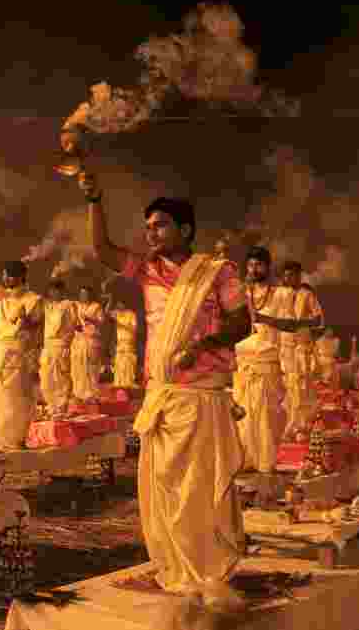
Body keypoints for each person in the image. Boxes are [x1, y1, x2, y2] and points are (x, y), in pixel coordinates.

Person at [83, 171, 250, 607]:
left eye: (160, 225)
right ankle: (176, 568)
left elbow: (242, 322)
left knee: (199, 488)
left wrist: (205, 343)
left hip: (203, 396)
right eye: (148, 226)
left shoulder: (217, 272)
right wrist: (94, 200)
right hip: (164, 397)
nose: (150, 233)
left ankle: (208, 569)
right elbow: (102, 251)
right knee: (164, 486)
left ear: (186, 230)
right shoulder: (146, 271)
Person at [0, 261, 44, 449]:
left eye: (9, 275)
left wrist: (25, 320)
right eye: (4, 275)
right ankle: (4, 441)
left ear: (21, 277)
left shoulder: (33, 300)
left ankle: (16, 441)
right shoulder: (0, 300)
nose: (5, 279)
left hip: (16, 354)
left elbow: (35, 329)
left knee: (14, 400)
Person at [234, 246, 287, 474]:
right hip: (246, 359)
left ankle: (266, 461)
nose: (254, 269)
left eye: (259, 265)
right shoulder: (242, 294)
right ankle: (245, 458)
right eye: (251, 265)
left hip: (269, 358)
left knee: (268, 414)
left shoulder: (280, 294)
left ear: (268, 266)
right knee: (244, 412)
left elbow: (288, 326)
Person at [275, 262, 324, 438]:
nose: (289, 279)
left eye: (292, 275)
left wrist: (300, 323)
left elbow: (318, 319)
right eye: (286, 275)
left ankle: (301, 426)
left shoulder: (307, 295)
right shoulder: (278, 294)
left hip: (302, 346)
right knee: (288, 386)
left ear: (299, 276)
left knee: (302, 387)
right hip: (285, 345)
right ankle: (289, 425)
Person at [38, 280, 75, 414]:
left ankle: (61, 407)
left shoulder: (68, 305)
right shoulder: (47, 306)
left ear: (62, 291)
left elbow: (71, 328)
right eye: (51, 290)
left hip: (60, 345)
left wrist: (67, 346)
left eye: (56, 290)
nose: (53, 293)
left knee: (60, 378)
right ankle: (51, 406)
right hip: (47, 346)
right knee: (45, 377)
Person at [71, 286, 105, 403]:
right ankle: (79, 394)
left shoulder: (96, 306)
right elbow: (71, 321)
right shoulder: (75, 306)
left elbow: (101, 322)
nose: (83, 296)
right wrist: (75, 326)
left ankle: (92, 394)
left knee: (91, 368)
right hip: (78, 340)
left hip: (91, 340)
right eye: (81, 294)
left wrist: (90, 319)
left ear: (90, 295)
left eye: (86, 294)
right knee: (78, 367)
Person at [111, 299, 139, 388]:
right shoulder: (117, 314)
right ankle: (120, 382)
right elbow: (106, 312)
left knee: (128, 362)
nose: (119, 306)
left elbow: (134, 328)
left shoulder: (131, 314)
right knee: (119, 362)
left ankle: (129, 382)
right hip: (120, 342)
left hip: (128, 341)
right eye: (117, 304)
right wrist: (109, 299)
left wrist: (122, 324)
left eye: (121, 303)